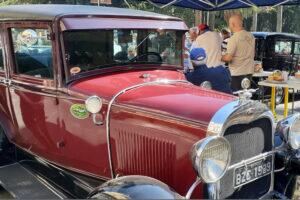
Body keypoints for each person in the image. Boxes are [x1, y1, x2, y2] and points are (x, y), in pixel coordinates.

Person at [221, 14, 255, 92]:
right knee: (246, 97)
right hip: (249, 72)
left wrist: (220, 56)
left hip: (236, 74)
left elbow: (228, 58)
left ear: (233, 24)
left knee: (236, 99)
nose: (229, 27)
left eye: (229, 24)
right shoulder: (251, 36)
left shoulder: (234, 38)